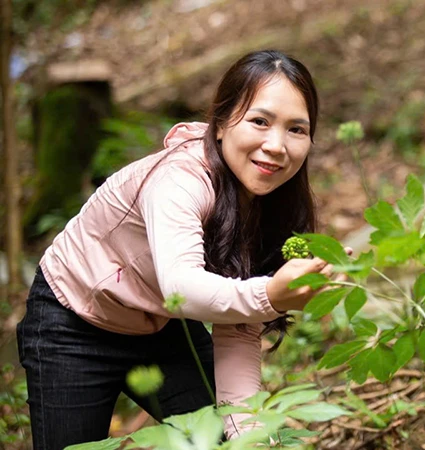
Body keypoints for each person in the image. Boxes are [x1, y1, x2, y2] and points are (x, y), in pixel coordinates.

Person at [16, 50, 338, 449]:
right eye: (259, 121)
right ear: (220, 124)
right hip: (73, 322)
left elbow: (239, 326)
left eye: (296, 129)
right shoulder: (178, 180)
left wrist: (252, 439)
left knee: (226, 440)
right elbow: (180, 286)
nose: (276, 145)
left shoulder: (270, 203)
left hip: (161, 324)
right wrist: (269, 295)